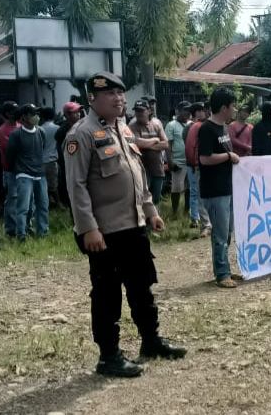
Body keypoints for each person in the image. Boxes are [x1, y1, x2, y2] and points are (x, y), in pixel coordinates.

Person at [64, 72, 186, 378]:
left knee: (142, 284)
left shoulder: (123, 128)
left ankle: (151, 340)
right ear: (92, 98)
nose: (119, 99)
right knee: (107, 294)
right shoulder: (81, 134)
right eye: (111, 94)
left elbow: (137, 174)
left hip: (134, 223)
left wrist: (151, 209)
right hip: (104, 230)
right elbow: (76, 186)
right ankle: (109, 356)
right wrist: (88, 227)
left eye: (121, 93)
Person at [198, 88, 242, 288]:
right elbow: (204, 159)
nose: (235, 110)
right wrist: (228, 156)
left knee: (227, 232)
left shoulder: (223, 128)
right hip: (214, 191)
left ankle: (225, 270)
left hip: (227, 188)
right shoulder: (207, 129)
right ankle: (222, 274)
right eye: (233, 106)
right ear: (224, 108)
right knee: (220, 235)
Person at [3, 104, 48, 240]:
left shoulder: (41, 132)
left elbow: (42, 148)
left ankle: (43, 232)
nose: (36, 116)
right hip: (24, 174)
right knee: (23, 207)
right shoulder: (16, 134)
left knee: (43, 205)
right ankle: (21, 234)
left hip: (40, 173)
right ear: (23, 117)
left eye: (36, 113)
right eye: (33, 113)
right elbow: (10, 156)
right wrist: (16, 171)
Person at [129, 100, 169, 207]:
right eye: (137, 111)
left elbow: (166, 144)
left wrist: (147, 145)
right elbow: (137, 143)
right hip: (141, 168)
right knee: (143, 198)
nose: (138, 113)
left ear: (149, 111)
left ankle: (156, 216)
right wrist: (155, 140)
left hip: (157, 167)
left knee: (156, 198)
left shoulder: (157, 123)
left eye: (141, 111)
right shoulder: (132, 125)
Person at [184, 102, 210, 234]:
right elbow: (189, 146)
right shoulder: (193, 127)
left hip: (200, 163)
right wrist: (193, 163)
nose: (203, 112)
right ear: (196, 112)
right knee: (196, 192)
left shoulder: (204, 125)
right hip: (195, 164)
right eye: (200, 110)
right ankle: (197, 219)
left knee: (200, 193)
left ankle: (204, 221)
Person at [164, 102, 192, 217]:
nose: (187, 112)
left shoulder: (191, 124)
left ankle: (187, 210)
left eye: (189, 110)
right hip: (177, 162)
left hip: (190, 161)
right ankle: (175, 212)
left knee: (189, 188)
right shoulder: (171, 125)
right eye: (185, 110)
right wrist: (170, 161)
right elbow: (168, 145)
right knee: (176, 188)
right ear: (178, 111)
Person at [55, 101, 82, 208]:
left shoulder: (83, 126)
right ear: (67, 115)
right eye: (75, 112)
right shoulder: (62, 131)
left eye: (79, 112)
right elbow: (61, 152)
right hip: (69, 166)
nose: (78, 114)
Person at [39, 107, 61, 208]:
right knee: (53, 185)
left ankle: (48, 202)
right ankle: (58, 203)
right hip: (52, 160)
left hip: (41, 160)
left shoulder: (39, 129)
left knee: (44, 184)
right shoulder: (57, 128)